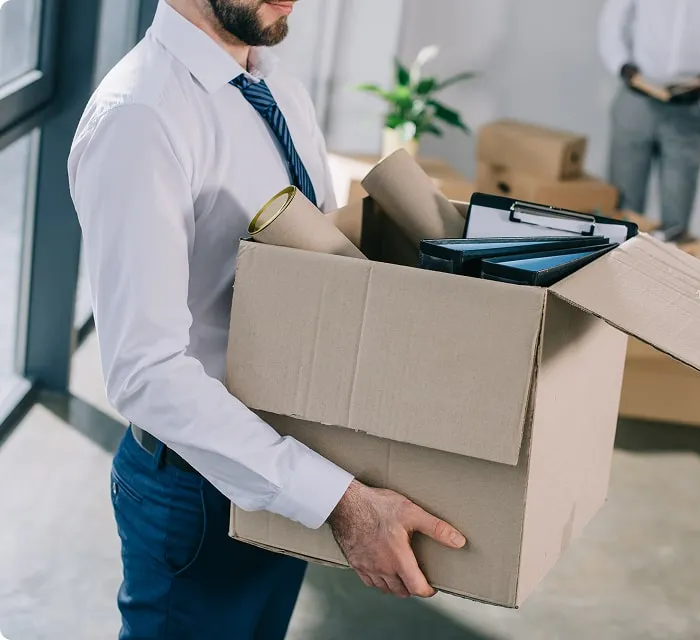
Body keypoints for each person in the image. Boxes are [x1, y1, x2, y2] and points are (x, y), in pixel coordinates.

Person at [67, 1, 466, 637]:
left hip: (289, 473)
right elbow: (146, 372)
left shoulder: (276, 87)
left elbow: (320, 280)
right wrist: (338, 500)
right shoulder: (141, 118)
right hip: (200, 488)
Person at [599, 0, 700, 231]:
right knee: (620, 208)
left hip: (687, 108)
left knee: (677, 218)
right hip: (637, 99)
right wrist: (621, 65)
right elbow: (612, 20)